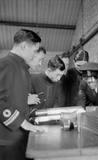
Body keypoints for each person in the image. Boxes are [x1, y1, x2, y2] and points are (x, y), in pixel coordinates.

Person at [0, 29, 48, 160]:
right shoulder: (5, 64)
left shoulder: (23, 68)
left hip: (20, 135)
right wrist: (22, 122)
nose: (34, 56)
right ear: (23, 46)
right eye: (33, 51)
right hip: (7, 139)